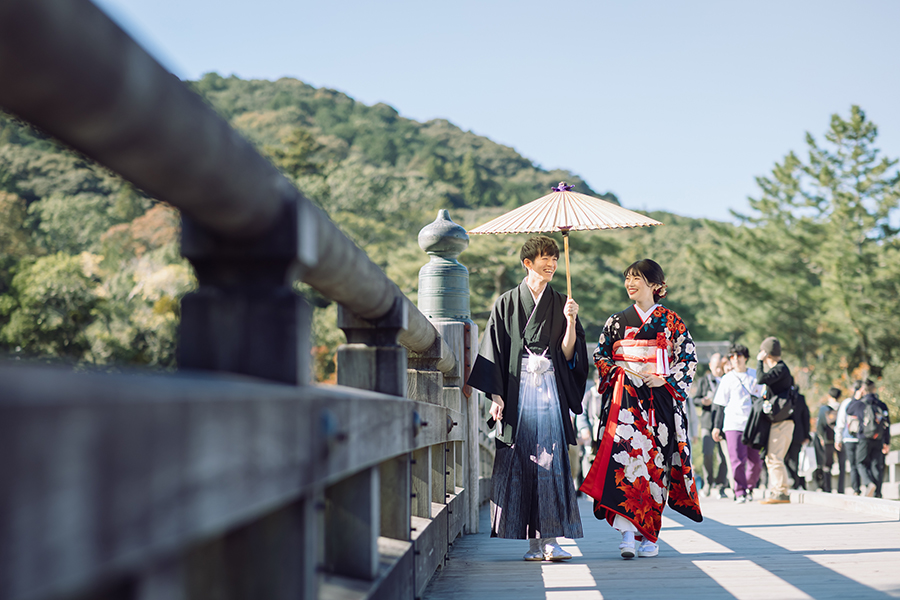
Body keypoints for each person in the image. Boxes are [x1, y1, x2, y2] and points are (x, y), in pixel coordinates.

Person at [467, 235, 589, 561]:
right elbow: (494, 349)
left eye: (554, 258)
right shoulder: (506, 302)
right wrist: (496, 395)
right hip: (516, 389)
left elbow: (568, 354)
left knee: (551, 458)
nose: (551, 264)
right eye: (544, 259)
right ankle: (532, 544)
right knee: (522, 460)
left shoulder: (562, 301)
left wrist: (572, 322)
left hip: (549, 385)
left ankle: (550, 540)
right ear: (528, 263)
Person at [580, 259, 702, 560]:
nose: (630, 284)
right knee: (625, 463)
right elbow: (601, 356)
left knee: (655, 468)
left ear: (655, 285)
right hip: (626, 401)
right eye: (627, 278)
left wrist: (663, 379)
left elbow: (688, 359)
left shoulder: (671, 320)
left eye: (637, 278)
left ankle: (650, 535)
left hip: (659, 400)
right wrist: (619, 372)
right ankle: (627, 535)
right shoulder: (615, 322)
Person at [712, 344, 764, 503]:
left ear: (745, 357)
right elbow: (720, 404)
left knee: (756, 462)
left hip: (752, 425)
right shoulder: (727, 378)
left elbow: (762, 398)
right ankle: (739, 491)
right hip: (733, 424)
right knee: (737, 461)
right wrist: (717, 426)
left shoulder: (755, 376)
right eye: (732, 357)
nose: (735, 359)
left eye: (739, 356)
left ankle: (749, 487)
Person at [756, 337, 795, 505]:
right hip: (780, 421)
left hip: (783, 422)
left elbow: (760, 378)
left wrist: (759, 362)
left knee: (774, 457)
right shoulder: (781, 370)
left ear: (767, 353)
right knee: (772, 457)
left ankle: (781, 492)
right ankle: (777, 490)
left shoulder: (780, 369)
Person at [846, 379, 892, 497]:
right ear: (874, 389)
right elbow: (887, 423)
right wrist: (887, 442)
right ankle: (878, 493)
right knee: (877, 464)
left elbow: (849, 410)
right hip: (879, 438)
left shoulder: (860, 404)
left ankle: (869, 483)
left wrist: (856, 398)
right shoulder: (881, 404)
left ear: (863, 390)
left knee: (860, 462)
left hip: (864, 437)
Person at [693, 353, 729, 498]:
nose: (718, 370)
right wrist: (703, 402)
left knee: (723, 456)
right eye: (716, 367)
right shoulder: (704, 381)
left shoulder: (727, 380)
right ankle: (707, 483)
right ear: (710, 366)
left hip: (724, 423)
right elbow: (695, 400)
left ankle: (721, 485)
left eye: (720, 367)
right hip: (708, 422)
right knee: (707, 453)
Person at [835, 383, 863, 495]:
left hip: (849, 438)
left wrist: (838, 438)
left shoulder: (847, 403)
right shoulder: (865, 402)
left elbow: (840, 421)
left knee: (853, 465)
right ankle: (868, 485)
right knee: (862, 463)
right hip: (863, 438)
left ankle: (856, 489)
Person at [813, 387, 841, 492]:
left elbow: (819, 425)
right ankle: (840, 489)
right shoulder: (842, 407)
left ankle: (827, 487)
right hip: (840, 439)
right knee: (841, 465)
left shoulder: (824, 409)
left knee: (826, 464)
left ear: (829, 396)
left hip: (827, 439)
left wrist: (821, 437)